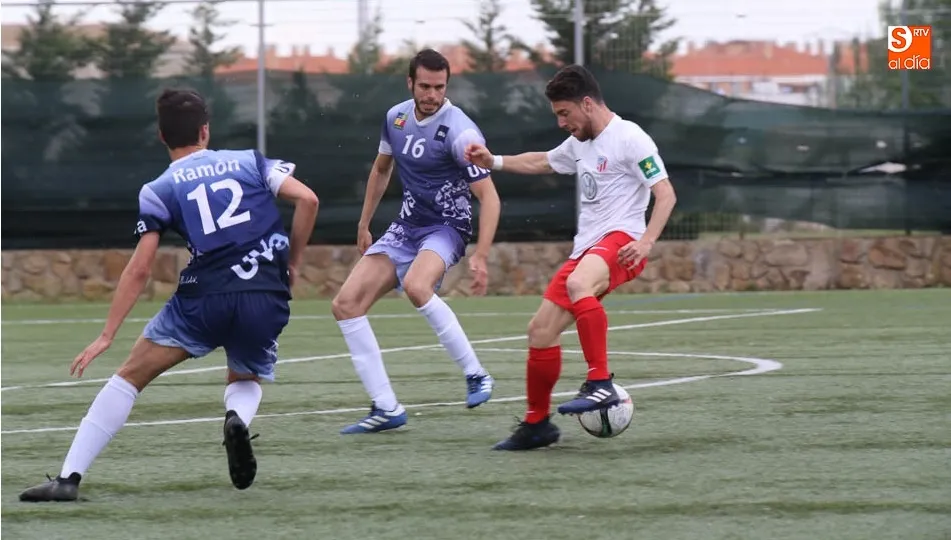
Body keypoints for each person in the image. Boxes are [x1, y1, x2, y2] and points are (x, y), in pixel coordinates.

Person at [19, 88, 320, 501]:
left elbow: (140, 268)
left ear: (162, 136)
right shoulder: (250, 161)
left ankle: (68, 479)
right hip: (264, 293)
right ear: (205, 130)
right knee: (245, 377)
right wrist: (293, 263)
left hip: (204, 299)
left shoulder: (158, 188)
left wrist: (107, 334)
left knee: (129, 377)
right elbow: (308, 199)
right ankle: (235, 418)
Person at [464, 65, 678, 451]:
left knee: (580, 284)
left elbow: (665, 193)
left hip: (623, 242)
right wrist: (492, 161)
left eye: (565, 114)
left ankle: (600, 382)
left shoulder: (630, 138)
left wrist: (646, 242)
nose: (562, 123)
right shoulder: (579, 143)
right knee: (540, 332)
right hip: (587, 248)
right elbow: (542, 161)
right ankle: (537, 426)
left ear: (587, 104)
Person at [331, 49, 502, 434]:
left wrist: (481, 255)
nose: (432, 95)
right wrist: (364, 222)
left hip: (447, 226)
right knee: (345, 305)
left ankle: (476, 373)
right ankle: (386, 406)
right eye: (425, 86)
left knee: (416, 286)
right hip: (407, 226)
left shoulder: (461, 132)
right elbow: (381, 170)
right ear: (410, 83)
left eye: (439, 87)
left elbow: (490, 198)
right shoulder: (396, 118)